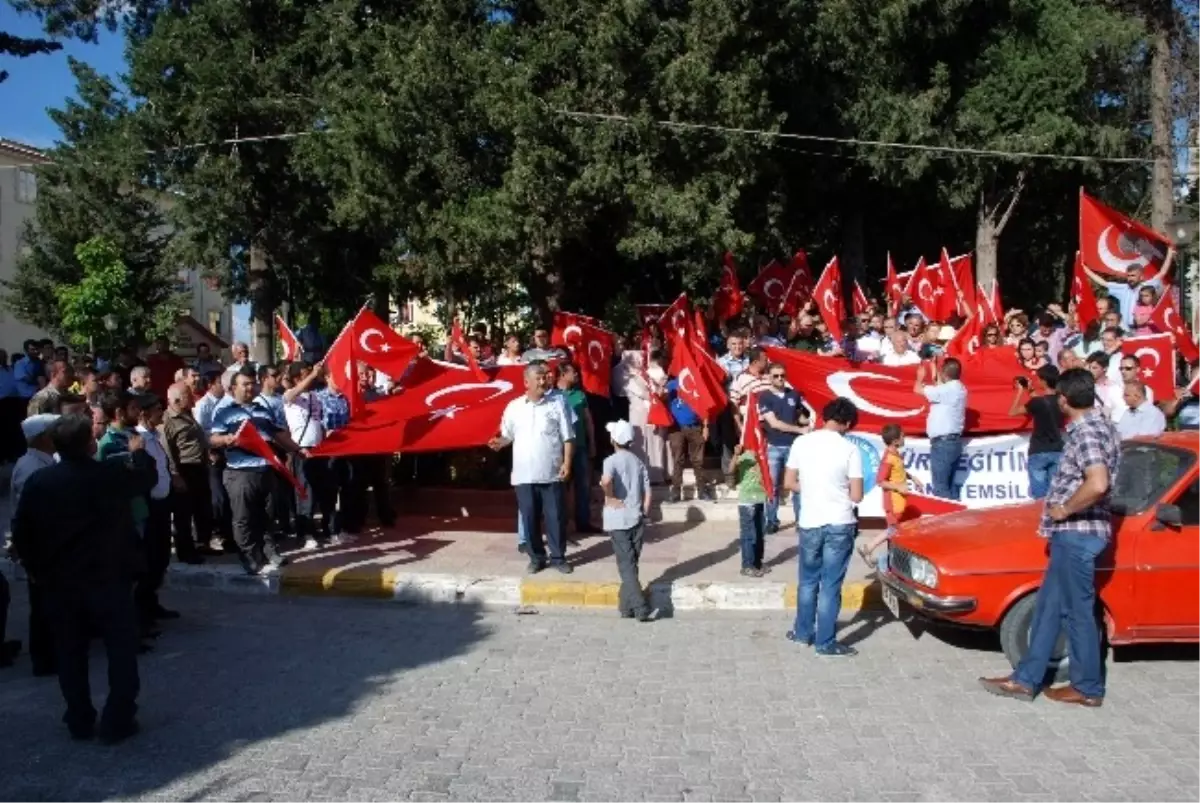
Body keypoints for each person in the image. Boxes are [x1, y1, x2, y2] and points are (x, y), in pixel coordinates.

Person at [11, 414, 157, 743]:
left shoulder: (42, 482)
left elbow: (22, 530)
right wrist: (138, 452)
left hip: (62, 583)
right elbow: (146, 479)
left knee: (70, 652)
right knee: (120, 650)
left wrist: (36, 569)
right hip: (108, 579)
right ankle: (117, 718)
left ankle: (79, 716)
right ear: (90, 444)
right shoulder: (110, 475)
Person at [980, 368, 1119, 707]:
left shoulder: (1085, 433)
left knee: (1076, 612)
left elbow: (1097, 482)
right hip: (1076, 534)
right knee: (1048, 608)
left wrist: (1065, 508)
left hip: (1078, 531)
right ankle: (1026, 679)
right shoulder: (1105, 427)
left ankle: (1087, 687)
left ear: (1065, 399)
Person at [783, 397, 864, 657]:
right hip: (840, 521)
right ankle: (825, 642)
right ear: (847, 423)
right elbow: (857, 495)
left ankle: (802, 632)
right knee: (830, 585)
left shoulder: (801, 442)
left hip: (810, 521)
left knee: (807, 581)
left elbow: (789, 482)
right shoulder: (850, 449)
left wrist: (812, 489)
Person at [207, 367, 308, 575]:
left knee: (268, 515)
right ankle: (249, 555)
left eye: (252, 383)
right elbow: (212, 438)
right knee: (244, 518)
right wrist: (226, 439)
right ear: (233, 388)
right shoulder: (224, 411)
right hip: (240, 473)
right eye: (245, 384)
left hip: (266, 470)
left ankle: (269, 550)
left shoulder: (263, 409)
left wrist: (297, 449)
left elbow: (278, 434)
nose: (250, 388)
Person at [489, 363, 575, 574]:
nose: (544, 379)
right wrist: (498, 443)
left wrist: (567, 463)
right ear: (526, 382)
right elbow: (507, 435)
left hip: (552, 472)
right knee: (529, 518)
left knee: (555, 518)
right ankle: (536, 557)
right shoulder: (514, 407)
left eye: (545, 376)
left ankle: (558, 557)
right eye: (539, 377)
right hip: (524, 475)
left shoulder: (558, 403)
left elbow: (568, 437)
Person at [11, 413, 61, 676]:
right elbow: (28, 516)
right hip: (42, 548)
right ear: (43, 438)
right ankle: (44, 659)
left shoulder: (44, 462)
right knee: (42, 605)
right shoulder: (32, 467)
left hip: (49, 546)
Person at [599, 420, 653, 621]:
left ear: (613, 439)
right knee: (631, 563)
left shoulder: (610, 461)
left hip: (617, 520)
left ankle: (639, 606)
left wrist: (609, 495)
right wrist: (644, 513)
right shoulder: (638, 462)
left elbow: (606, 481)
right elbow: (648, 492)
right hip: (637, 517)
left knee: (626, 565)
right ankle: (625, 606)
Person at [133, 394, 178, 627]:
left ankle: (151, 603)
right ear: (144, 413)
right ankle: (142, 610)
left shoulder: (154, 436)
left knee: (161, 558)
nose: (162, 412)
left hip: (162, 502)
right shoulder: (138, 439)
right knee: (149, 560)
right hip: (149, 507)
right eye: (157, 409)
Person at [162, 382, 212, 561]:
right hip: (185, 469)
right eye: (187, 395)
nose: (192, 397)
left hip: (199, 467)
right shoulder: (168, 420)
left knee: (202, 508)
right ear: (177, 400)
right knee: (184, 513)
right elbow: (168, 450)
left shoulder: (188, 415)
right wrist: (175, 475)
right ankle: (186, 551)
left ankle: (203, 543)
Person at [757, 363, 808, 533]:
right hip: (774, 446)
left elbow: (800, 416)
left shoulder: (794, 394)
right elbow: (774, 423)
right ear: (769, 377)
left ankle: (801, 521)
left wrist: (811, 421)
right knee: (773, 487)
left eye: (782, 375)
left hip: (795, 447)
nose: (779, 379)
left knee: (796, 485)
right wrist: (800, 429)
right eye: (775, 376)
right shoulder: (764, 397)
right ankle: (771, 521)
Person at [857, 423, 908, 572]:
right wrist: (898, 487)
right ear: (895, 441)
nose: (905, 438)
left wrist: (912, 477)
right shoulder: (888, 459)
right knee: (894, 531)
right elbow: (880, 480)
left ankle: (885, 562)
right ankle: (869, 548)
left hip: (899, 502)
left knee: (896, 534)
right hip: (893, 503)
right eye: (903, 436)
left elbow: (897, 473)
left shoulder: (895, 455)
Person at [914, 358, 967, 499]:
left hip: (943, 444)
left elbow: (917, 389)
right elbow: (939, 386)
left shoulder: (947, 390)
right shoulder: (959, 388)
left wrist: (919, 377)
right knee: (949, 486)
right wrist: (934, 368)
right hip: (953, 442)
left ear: (945, 374)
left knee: (941, 489)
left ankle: (946, 520)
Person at [1010, 366, 1065, 500]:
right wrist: (1031, 391)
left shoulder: (1037, 402)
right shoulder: (1062, 400)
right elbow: (1045, 403)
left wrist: (1020, 391)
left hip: (1038, 451)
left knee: (1040, 497)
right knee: (1056, 495)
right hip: (1058, 450)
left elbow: (1013, 412)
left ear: (1044, 381)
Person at [557, 363, 597, 533]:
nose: (577, 375)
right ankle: (561, 525)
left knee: (583, 485)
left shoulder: (580, 395)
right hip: (560, 449)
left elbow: (588, 420)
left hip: (580, 446)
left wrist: (592, 443)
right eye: (573, 372)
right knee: (560, 487)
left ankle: (583, 522)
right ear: (563, 374)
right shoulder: (553, 396)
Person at [665, 368, 712, 502]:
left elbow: (705, 405)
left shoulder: (697, 383)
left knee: (698, 460)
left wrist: (706, 426)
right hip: (676, 428)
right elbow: (661, 397)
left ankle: (702, 490)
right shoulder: (671, 385)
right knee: (677, 460)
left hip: (695, 426)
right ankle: (675, 491)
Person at [732, 441, 769, 577]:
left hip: (760, 498)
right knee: (749, 535)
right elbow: (730, 470)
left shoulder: (763, 455)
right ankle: (747, 565)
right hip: (747, 501)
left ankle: (757, 563)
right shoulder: (745, 455)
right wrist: (736, 455)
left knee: (760, 533)